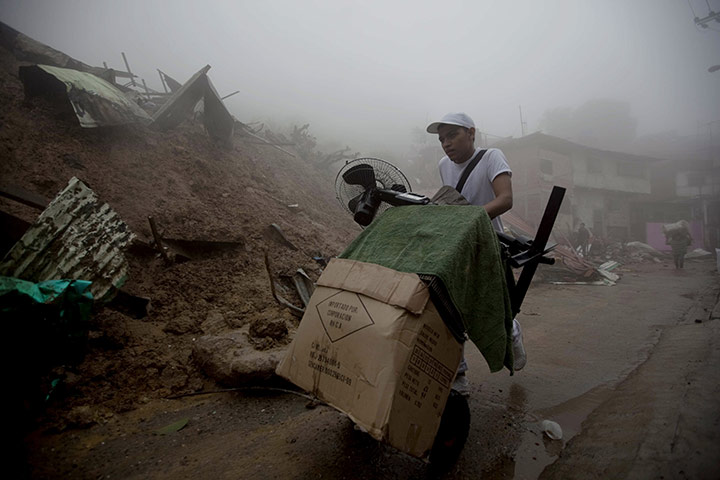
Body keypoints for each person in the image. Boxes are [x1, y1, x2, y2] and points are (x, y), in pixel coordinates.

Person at [426, 112, 526, 393]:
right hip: (455, 243)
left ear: (471, 133)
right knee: (448, 309)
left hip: (487, 241)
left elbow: (505, 199)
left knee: (491, 307)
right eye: (442, 139)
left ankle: (513, 333)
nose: (446, 143)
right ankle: (458, 377)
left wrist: (468, 220)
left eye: (452, 135)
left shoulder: (492, 156)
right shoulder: (444, 165)